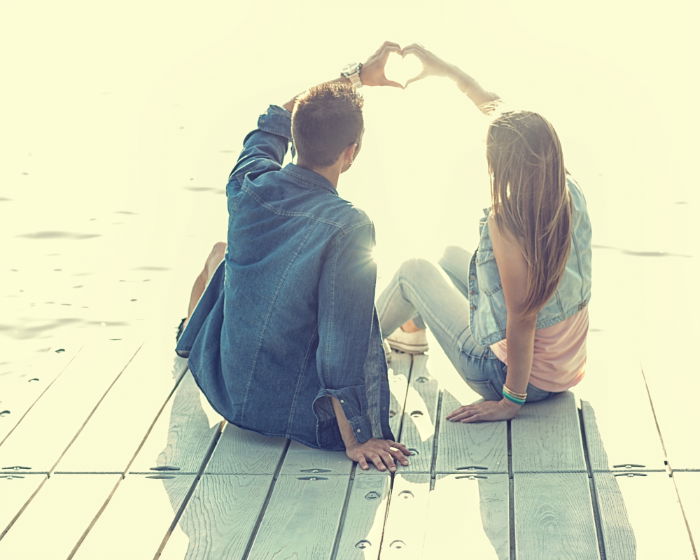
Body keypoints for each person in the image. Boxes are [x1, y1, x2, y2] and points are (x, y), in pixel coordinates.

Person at [176, 42, 411, 472]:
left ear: (294, 140)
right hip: (293, 412)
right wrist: (360, 438)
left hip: (224, 387)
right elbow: (342, 341)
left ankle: (186, 339)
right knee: (228, 258)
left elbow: (276, 117)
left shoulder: (248, 183)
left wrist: (356, 76)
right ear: (351, 153)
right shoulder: (350, 225)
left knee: (222, 256)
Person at [378, 44, 592, 423]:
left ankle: (346, 356)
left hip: (505, 378)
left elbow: (522, 318)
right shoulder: (565, 189)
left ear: (500, 164)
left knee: (413, 269)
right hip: (563, 371)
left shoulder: (508, 222)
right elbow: (504, 115)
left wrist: (511, 401)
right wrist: (447, 70)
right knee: (448, 257)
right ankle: (411, 328)